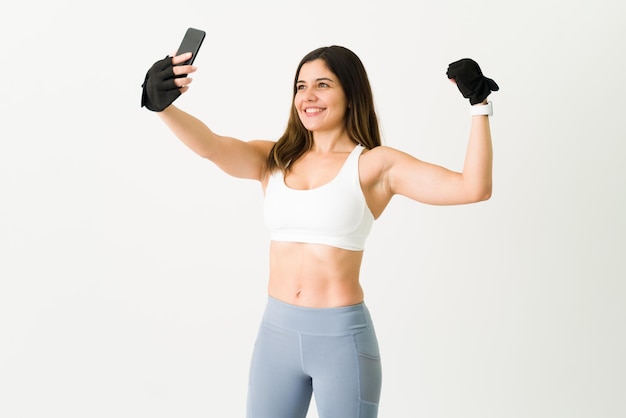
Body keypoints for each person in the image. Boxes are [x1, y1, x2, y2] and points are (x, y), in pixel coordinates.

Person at [141, 45, 498, 418]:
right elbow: (211, 148)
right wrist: (162, 107)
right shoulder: (274, 158)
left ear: (350, 93)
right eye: (300, 86)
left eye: (323, 85)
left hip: (341, 342)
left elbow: (473, 188)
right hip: (274, 336)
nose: (308, 96)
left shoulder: (375, 165)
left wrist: (479, 106)